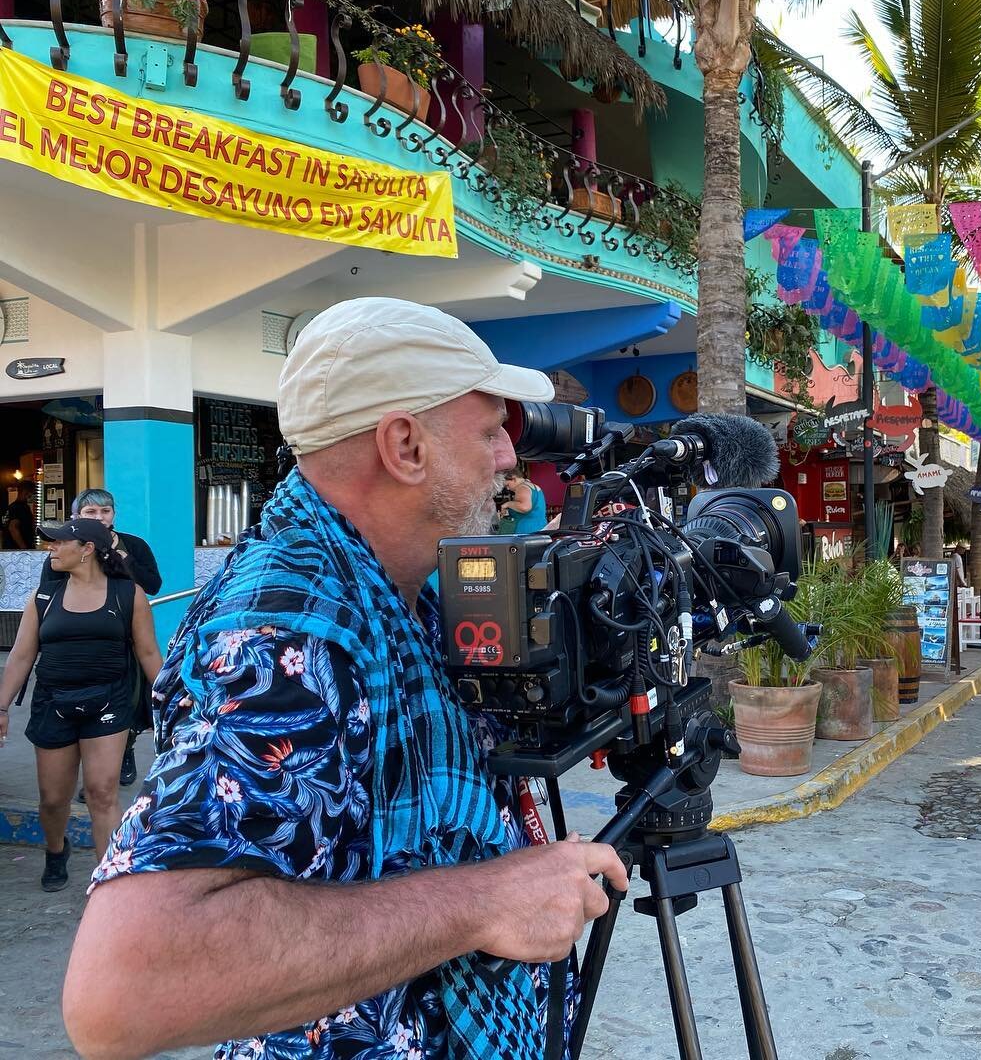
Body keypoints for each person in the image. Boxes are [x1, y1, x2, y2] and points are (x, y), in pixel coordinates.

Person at [62, 298, 628, 1059]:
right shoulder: (289, 629)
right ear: (405, 446)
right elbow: (122, 991)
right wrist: (488, 901)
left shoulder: (402, 583)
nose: (507, 459)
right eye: (490, 431)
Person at [0, 517, 164, 891]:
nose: (51, 549)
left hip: (109, 701)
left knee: (101, 792)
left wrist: (179, 698)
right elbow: (22, 657)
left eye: (59, 543)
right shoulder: (43, 597)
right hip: (53, 704)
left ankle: (110, 879)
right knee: (54, 800)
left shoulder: (128, 595)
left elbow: (149, 653)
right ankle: (57, 850)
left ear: (87, 550)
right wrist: (2, 707)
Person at [40, 488, 163, 788]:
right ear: (76, 516)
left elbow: (153, 584)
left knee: (129, 699)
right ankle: (89, 776)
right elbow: (47, 598)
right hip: (78, 648)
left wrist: (124, 560)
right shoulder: (65, 552)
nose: (99, 517)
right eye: (91, 512)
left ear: (114, 514)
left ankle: (125, 749)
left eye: (105, 511)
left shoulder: (134, 545)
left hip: (124, 638)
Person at [496, 463, 548, 534]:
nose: (508, 489)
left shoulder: (522, 488)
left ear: (514, 478)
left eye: (507, 485)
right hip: (540, 528)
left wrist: (508, 504)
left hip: (526, 531)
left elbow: (524, 507)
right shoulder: (534, 486)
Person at [3, 485, 36, 550]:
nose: (33, 496)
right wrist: (24, 548)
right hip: (17, 550)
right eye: (32, 493)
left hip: (9, 549)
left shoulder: (11, 507)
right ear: (26, 492)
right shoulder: (20, 508)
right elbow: (13, 528)